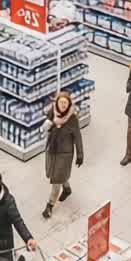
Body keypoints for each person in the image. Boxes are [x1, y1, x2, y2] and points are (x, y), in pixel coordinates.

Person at [40, 91, 83, 219]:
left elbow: (78, 137)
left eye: (65, 103)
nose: (63, 105)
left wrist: (80, 154)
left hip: (65, 153)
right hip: (52, 149)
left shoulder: (72, 118)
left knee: (56, 180)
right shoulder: (52, 111)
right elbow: (45, 127)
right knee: (57, 174)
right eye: (61, 102)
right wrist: (46, 126)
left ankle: (49, 206)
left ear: (69, 104)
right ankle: (67, 189)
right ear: (57, 103)